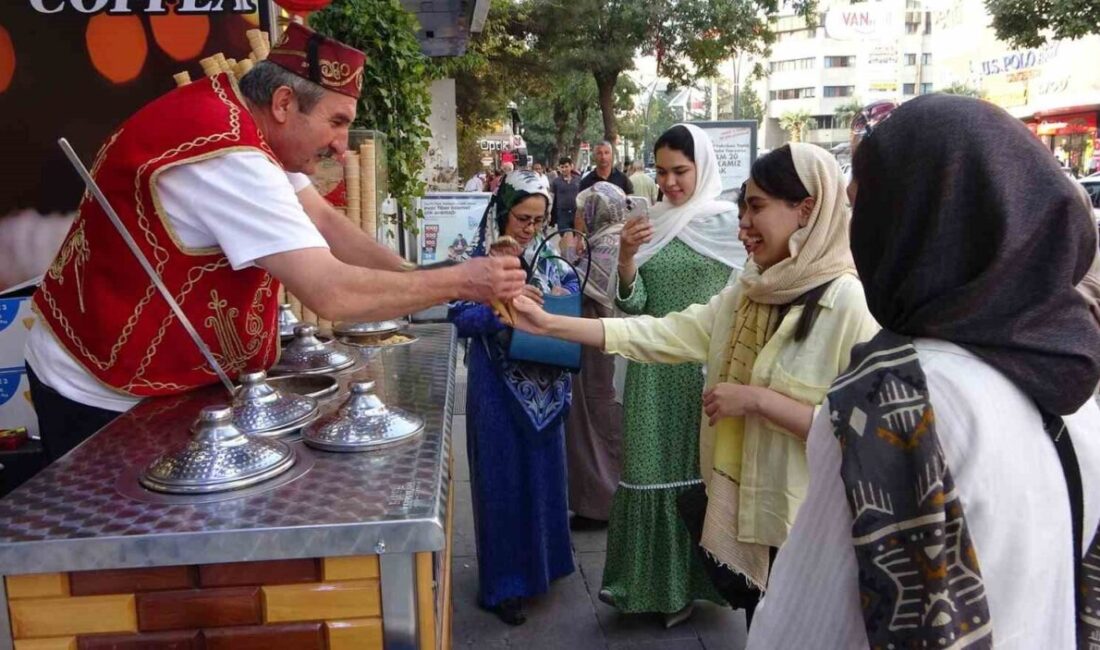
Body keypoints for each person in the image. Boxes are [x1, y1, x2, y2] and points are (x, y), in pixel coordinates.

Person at [24, 23, 524, 463]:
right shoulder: (229, 156)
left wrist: (415, 278)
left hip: (169, 373)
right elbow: (331, 293)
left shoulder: (247, 122)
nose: (341, 146)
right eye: (337, 121)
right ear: (284, 103)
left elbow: (326, 222)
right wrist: (462, 281)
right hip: (102, 388)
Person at [747, 95, 1100, 649]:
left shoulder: (896, 400)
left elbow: (801, 629)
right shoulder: (1074, 389)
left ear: (915, 220)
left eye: (863, 206)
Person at [513, 139, 880, 626]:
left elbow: (862, 434)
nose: (743, 225)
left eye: (756, 208)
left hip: (809, 531)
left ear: (807, 209)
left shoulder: (850, 305)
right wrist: (550, 324)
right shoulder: (749, 294)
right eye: (742, 207)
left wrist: (756, 401)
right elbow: (656, 331)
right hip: (750, 522)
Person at [557, 124, 750, 625]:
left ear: (702, 167)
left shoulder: (729, 224)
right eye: (662, 171)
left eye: (680, 171)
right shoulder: (652, 224)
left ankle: (693, 585)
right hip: (651, 369)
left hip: (708, 373)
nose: (669, 182)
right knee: (645, 473)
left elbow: (746, 298)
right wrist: (625, 257)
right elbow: (634, 303)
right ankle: (648, 587)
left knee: (702, 476)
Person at [448, 170, 578, 626]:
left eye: (539, 220)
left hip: (545, 388)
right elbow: (457, 315)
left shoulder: (549, 258)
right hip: (495, 390)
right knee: (501, 483)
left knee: (543, 480)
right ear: (503, 211)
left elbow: (570, 297)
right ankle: (505, 586)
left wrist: (553, 300)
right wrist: (499, 311)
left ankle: (545, 569)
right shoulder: (475, 260)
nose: (529, 228)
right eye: (522, 218)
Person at [563, 182, 629, 529]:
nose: (579, 216)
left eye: (583, 209)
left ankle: (600, 501)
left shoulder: (607, 243)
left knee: (593, 422)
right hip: (601, 342)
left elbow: (587, 285)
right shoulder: (609, 238)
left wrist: (567, 257)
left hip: (598, 347)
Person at [551, 157, 583, 250]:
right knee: (566, 237)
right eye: (562, 167)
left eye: (566, 166)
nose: (564, 169)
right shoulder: (556, 182)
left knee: (577, 238)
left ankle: (576, 259)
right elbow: (552, 197)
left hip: (576, 213)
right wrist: (549, 213)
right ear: (559, 168)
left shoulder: (578, 180)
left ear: (571, 166)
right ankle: (566, 258)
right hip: (562, 214)